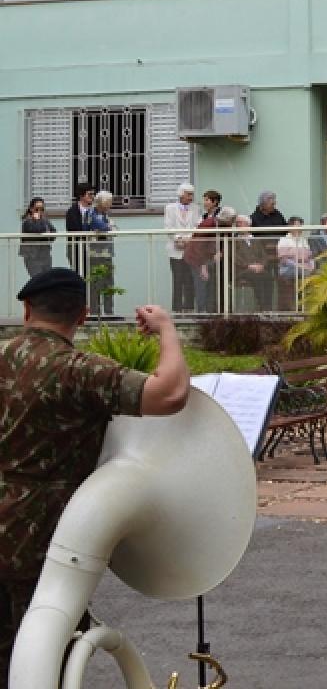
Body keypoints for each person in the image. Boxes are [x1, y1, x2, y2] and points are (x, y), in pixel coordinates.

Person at [0, 270, 190, 673]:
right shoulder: (79, 370)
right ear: (83, 315)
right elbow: (170, 393)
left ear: (26, 309)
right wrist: (166, 330)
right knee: (46, 656)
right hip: (40, 534)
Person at [184, 193, 224, 313]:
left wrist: (220, 251)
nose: (204, 202)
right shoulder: (207, 220)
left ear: (215, 202)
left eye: (207, 200)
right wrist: (202, 265)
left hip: (208, 256)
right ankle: (202, 313)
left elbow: (216, 240)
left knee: (209, 283)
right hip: (197, 256)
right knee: (201, 282)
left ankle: (211, 311)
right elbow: (199, 244)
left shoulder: (218, 219)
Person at [162, 183, 199, 313]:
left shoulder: (195, 208)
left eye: (192, 195)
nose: (191, 198)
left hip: (190, 249)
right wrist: (178, 238)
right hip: (175, 249)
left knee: (189, 279)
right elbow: (168, 226)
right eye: (189, 195)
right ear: (181, 194)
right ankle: (177, 309)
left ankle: (189, 308)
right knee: (177, 279)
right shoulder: (170, 208)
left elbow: (197, 226)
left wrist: (188, 239)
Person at [86, 191, 117, 318]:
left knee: (108, 283)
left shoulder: (106, 214)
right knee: (95, 284)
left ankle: (109, 312)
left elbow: (114, 230)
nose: (110, 204)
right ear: (102, 202)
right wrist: (107, 227)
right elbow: (98, 226)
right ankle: (94, 313)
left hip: (107, 253)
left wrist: (107, 228)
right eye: (108, 202)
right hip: (95, 254)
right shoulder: (91, 213)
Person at [276, 217, 315, 306]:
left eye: (301, 225)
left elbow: (310, 256)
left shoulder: (303, 240)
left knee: (312, 274)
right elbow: (284, 260)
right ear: (290, 226)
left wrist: (312, 266)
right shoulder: (284, 240)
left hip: (304, 268)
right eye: (297, 225)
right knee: (305, 274)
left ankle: (306, 304)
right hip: (288, 269)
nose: (300, 227)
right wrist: (300, 266)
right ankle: (300, 304)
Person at [63, 183, 95, 280]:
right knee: (79, 276)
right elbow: (73, 229)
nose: (92, 197)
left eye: (93, 194)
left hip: (93, 249)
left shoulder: (95, 211)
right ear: (81, 195)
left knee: (94, 276)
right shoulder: (72, 211)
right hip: (77, 248)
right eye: (89, 194)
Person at [18, 198, 55, 279]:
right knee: (38, 280)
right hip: (32, 257)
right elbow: (37, 230)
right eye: (36, 209)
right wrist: (38, 221)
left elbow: (53, 233)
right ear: (31, 209)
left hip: (45, 255)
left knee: (47, 279)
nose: (39, 212)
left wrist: (46, 233)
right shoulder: (27, 222)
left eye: (42, 209)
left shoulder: (45, 220)